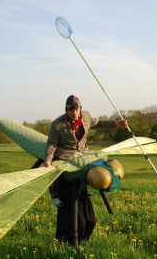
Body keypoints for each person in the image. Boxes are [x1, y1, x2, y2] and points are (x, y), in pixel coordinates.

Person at [44, 95, 128, 244]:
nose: (74, 112)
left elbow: (99, 122)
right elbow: (51, 144)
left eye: (76, 109)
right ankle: (54, 192)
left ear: (80, 108)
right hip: (65, 156)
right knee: (62, 180)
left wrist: (116, 123)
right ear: (66, 110)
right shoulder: (57, 124)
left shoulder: (86, 116)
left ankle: (83, 238)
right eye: (70, 110)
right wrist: (48, 160)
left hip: (84, 155)